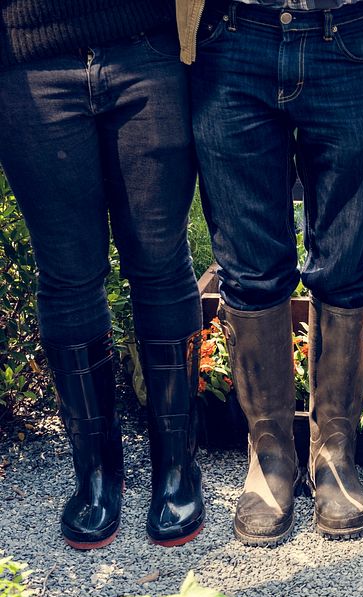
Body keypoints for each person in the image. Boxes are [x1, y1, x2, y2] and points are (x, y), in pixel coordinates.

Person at [177, 0, 363, 544]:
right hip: (232, 30)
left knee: (343, 263)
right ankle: (270, 451)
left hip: (350, 32)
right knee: (249, 266)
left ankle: (334, 453)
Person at [0, 0, 204, 549]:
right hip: (29, 63)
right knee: (67, 274)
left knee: (160, 259)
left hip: (145, 47)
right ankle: (95, 474)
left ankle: (177, 467)